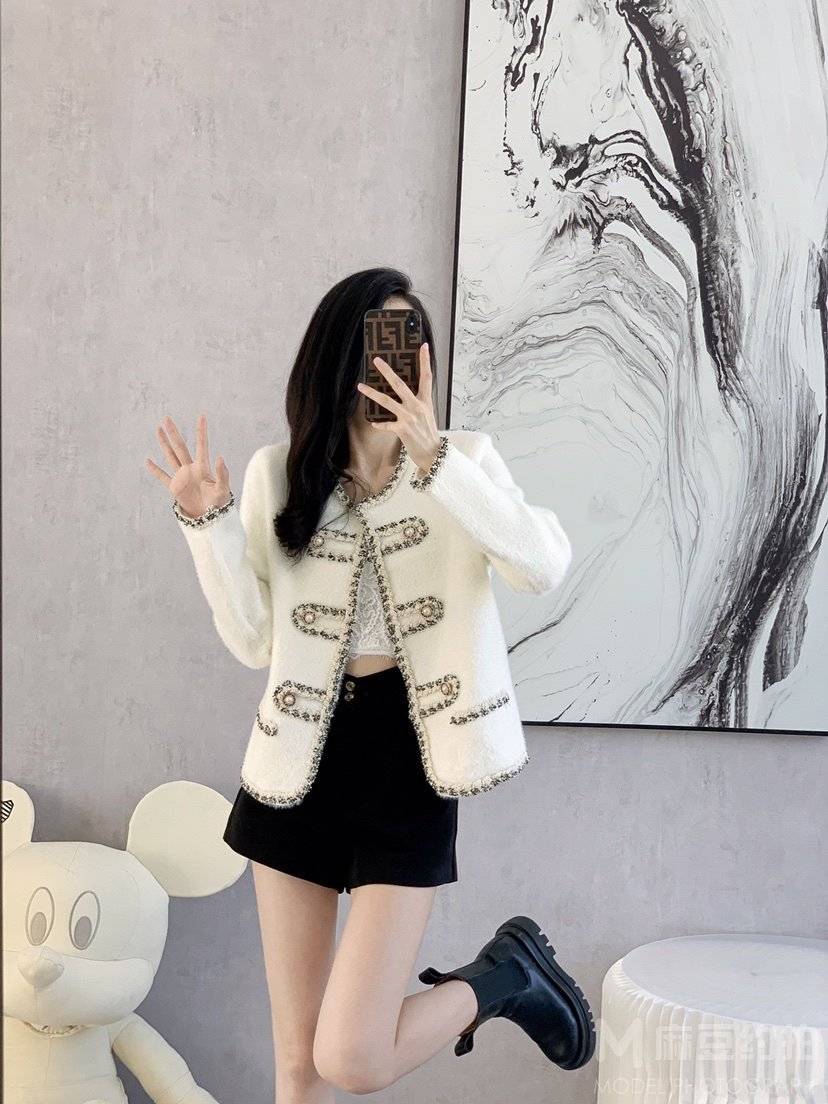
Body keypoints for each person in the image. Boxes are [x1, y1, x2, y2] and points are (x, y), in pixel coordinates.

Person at [146, 267, 594, 1102]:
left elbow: (541, 566)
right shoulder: (279, 474)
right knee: (296, 1062)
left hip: (409, 761)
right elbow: (252, 640)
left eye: (410, 341)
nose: (397, 360)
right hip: (297, 763)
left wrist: (436, 460)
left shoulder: (464, 461)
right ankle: (505, 976)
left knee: (351, 1057)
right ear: (339, 356)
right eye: (379, 341)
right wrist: (207, 524)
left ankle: (502, 978)